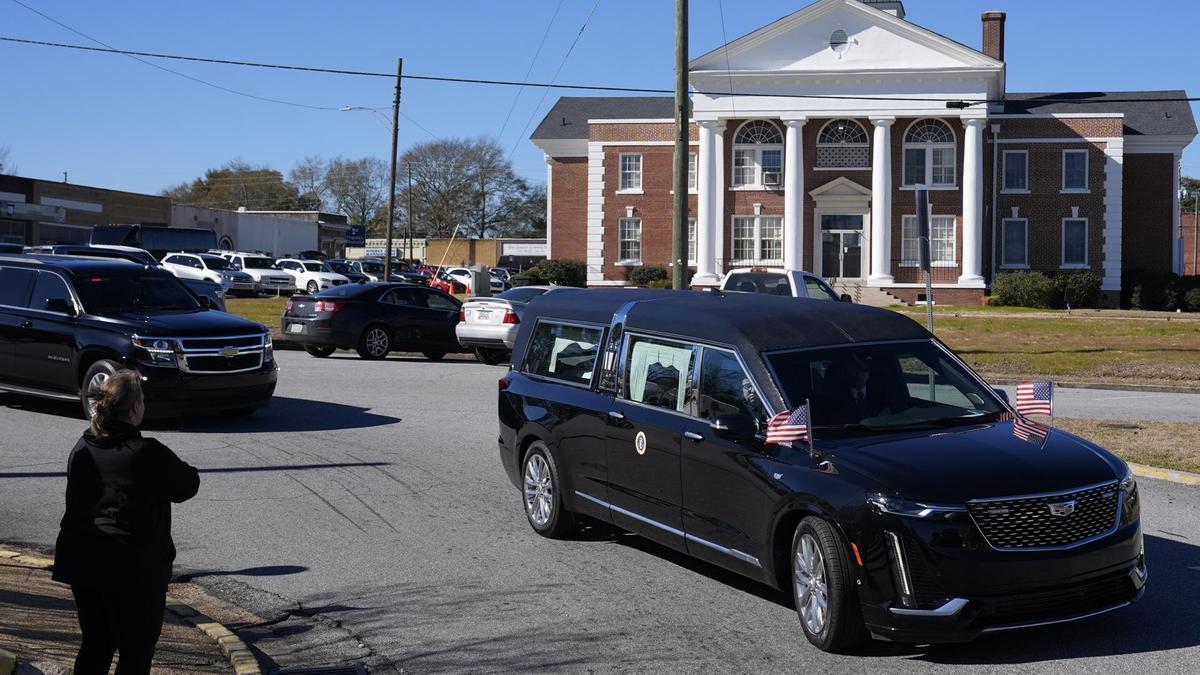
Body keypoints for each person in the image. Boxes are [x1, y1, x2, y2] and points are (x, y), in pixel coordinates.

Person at [51, 370, 200, 675]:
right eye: (142, 400)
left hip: (85, 563)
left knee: (96, 643)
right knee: (136, 650)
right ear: (135, 409)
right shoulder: (145, 452)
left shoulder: (83, 447)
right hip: (132, 569)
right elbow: (187, 484)